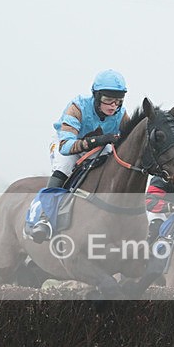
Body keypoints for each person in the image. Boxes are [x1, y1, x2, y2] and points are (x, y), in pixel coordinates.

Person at [29, 69, 131, 242]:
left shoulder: (121, 115)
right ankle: (44, 219)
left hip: (98, 146)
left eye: (118, 100)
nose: (113, 106)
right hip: (66, 142)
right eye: (108, 100)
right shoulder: (78, 107)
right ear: (97, 97)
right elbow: (66, 146)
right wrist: (98, 140)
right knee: (64, 168)